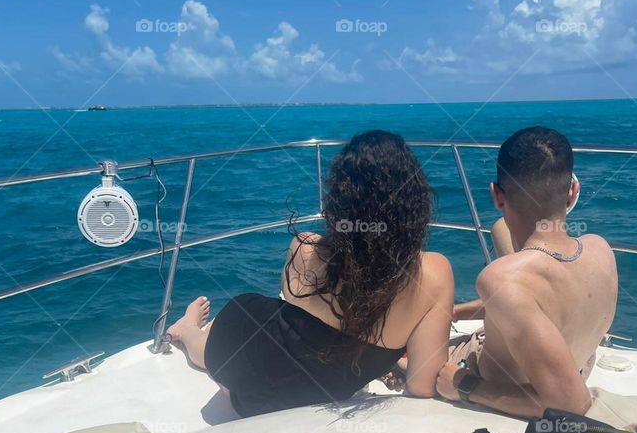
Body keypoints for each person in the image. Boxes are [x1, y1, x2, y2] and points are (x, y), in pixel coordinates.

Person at [166, 130, 454, 416]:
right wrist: (385, 358)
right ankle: (188, 329)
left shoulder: (305, 247)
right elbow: (422, 386)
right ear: (414, 202)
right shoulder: (434, 273)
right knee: (228, 349)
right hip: (286, 386)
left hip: (247, 359)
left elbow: (299, 334)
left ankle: (187, 330)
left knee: (208, 349)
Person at [437, 126, 617, 416]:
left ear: (497, 196)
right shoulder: (601, 249)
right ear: (572, 192)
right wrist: (458, 311)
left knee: (407, 346)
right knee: (500, 230)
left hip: (519, 391)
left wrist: (465, 386)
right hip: (577, 366)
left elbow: (572, 405)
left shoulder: (499, 279)